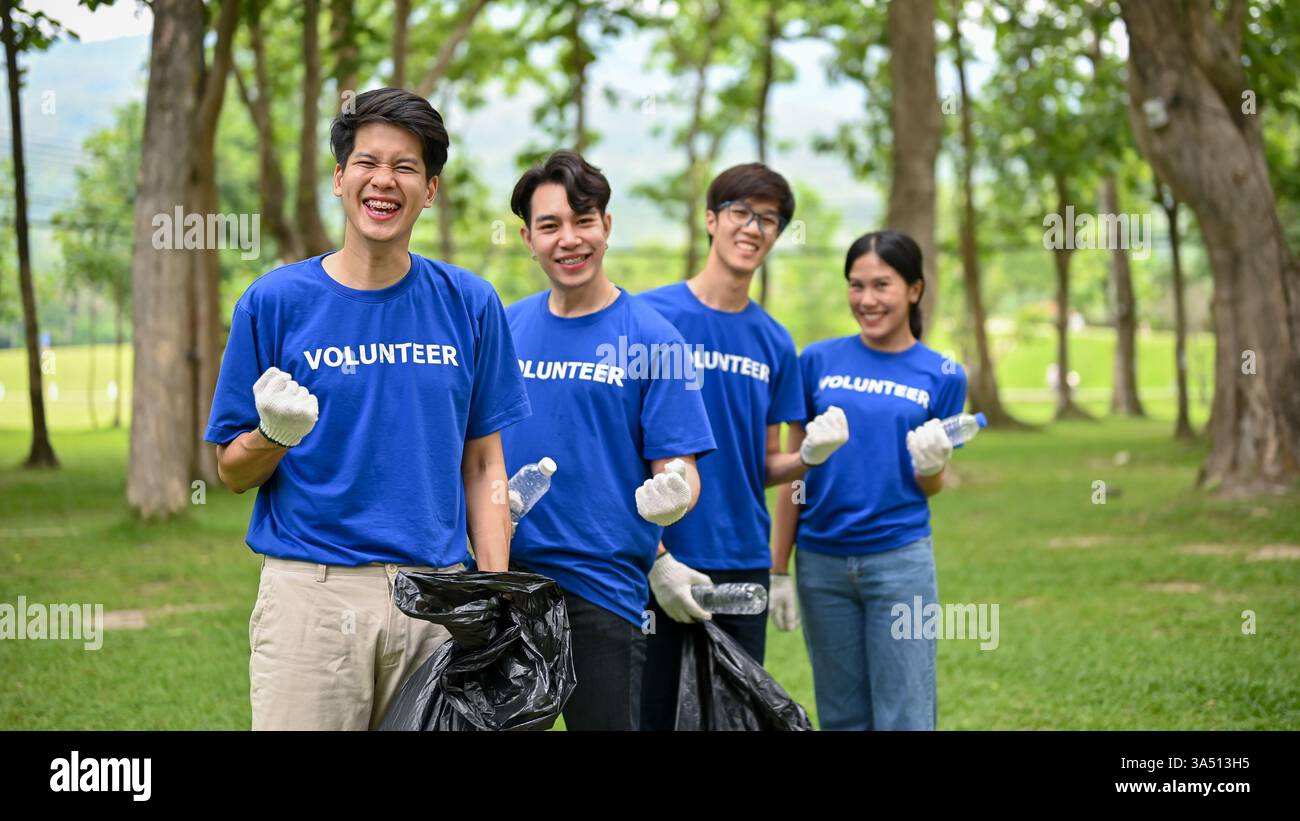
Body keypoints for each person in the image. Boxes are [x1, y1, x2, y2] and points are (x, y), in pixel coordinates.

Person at [205, 88, 530, 730]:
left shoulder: (469, 303)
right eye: (367, 163)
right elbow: (231, 472)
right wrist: (274, 434)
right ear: (339, 177)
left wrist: (492, 597)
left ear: (430, 189)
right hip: (312, 600)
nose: (384, 181)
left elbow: (485, 466)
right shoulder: (273, 304)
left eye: (406, 167)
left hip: (438, 601)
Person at [501, 150, 716, 731]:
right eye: (550, 225)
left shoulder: (653, 339)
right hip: (506, 587)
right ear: (528, 237)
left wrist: (675, 491)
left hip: (603, 596)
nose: (569, 239)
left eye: (583, 220)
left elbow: (680, 466)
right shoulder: (505, 328)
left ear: (607, 226)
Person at [637, 164, 849, 730]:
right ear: (712, 219)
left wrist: (810, 458)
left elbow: (762, 464)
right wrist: (652, 551)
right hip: (659, 556)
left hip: (741, 560)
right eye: (741, 213)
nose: (754, 228)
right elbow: (624, 443)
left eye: (769, 219)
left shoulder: (773, 340)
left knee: (732, 718)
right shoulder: (650, 316)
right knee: (651, 713)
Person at [771, 230, 967, 731]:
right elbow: (797, 470)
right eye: (856, 286)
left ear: (915, 290)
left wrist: (929, 468)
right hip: (821, 566)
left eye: (882, 285)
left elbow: (933, 485)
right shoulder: (816, 361)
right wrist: (779, 570)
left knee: (906, 714)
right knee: (841, 717)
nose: (867, 299)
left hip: (899, 563)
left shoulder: (944, 374)